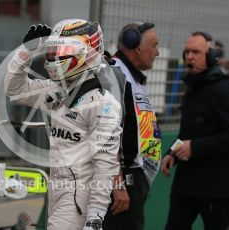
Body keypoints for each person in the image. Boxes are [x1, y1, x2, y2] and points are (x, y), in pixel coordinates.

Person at [5, 19, 122, 229]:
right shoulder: (58, 91)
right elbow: (15, 90)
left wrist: (95, 217)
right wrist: (26, 52)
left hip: (79, 198)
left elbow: (105, 165)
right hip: (57, 189)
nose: (56, 57)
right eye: (53, 51)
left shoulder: (103, 104)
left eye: (64, 50)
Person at [162, 31, 229, 230]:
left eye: (196, 52)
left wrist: (195, 148)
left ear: (210, 56)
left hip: (216, 189)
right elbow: (186, 135)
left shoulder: (223, 90)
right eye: (187, 52)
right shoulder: (191, 87)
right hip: (185, 186)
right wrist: (172, 152)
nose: (190, 56)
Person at [103, 22, 162, 230]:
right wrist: (118, 184)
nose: (158, 52)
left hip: (133, 180)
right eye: (154, 45)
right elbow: (105, 134)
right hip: (120, 183)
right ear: (135, 46)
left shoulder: (131, 77)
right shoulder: (115, 75)